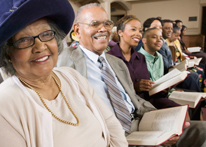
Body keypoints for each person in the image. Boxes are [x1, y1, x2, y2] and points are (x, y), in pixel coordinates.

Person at [0, 0, 128, 146]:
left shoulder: (72, 77)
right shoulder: (3, 104)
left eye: (46, 34)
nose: (40, 47)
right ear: (8, 53)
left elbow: (111, 125)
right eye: (24, 40)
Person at [57, 3, 206, 146]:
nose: (103, 29)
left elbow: (134, 98)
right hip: (111, 133)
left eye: (107, 23)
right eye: (95, 24)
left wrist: (162, 122)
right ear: (77, 30)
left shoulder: (117, 63)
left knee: (203, 130)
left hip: (141, 121)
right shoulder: (65, 60)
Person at [107, 15, 180, 109]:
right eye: (133, 29)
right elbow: (111, 92)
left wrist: (159, 90)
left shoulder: (140, 57)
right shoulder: (109, 58)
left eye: (140, 31)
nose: (138, 34)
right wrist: (134, 88)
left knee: (180, 110)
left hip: (146, 102)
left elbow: (147, 91)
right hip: (126, 106)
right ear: (120, 32)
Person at [166, 24, 205, 91]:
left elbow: (181, 54)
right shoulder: (166, 44)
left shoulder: (176, 42)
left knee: (201, 69)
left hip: (181, 63)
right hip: (176, 66)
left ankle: (201, 89)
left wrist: (189, 59)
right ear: (170, 34)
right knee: (197, 72)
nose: (178, 37)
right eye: (176, 36)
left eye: (179, 35)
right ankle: (197, 91)